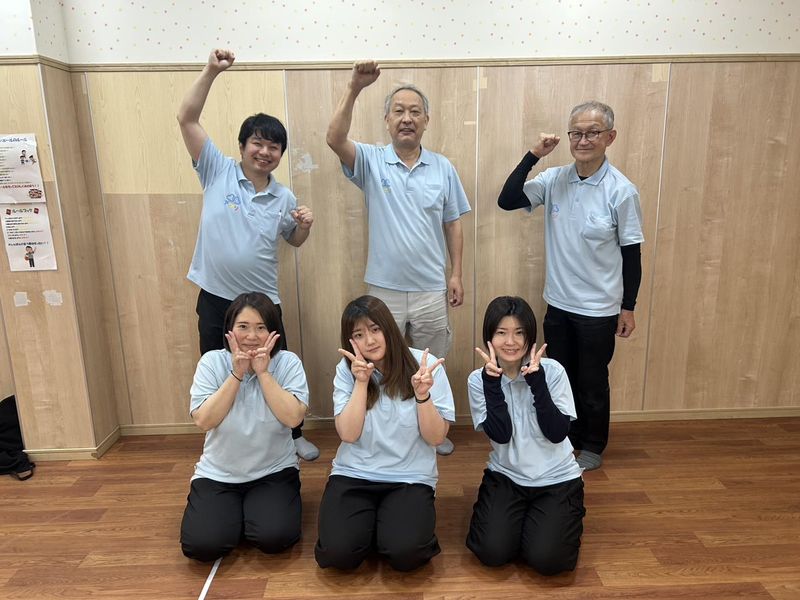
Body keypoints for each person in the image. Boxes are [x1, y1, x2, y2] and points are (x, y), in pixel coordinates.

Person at [177, 48, 319, 461]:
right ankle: (222, 438)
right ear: (242, 146)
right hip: (216, 296)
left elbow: (294, 241)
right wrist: (210, 71)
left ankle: (292, 435)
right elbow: (186, 118)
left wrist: (305, 226)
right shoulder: (217, 170)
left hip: (263, 301)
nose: (265, 151)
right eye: (258, 142)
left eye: (274, 146)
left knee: (276, 365)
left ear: (280, 154)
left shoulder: (284, 196)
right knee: (219, 366)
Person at [326, 61, 471, 456]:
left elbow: (453, 223)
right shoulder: (371, 161)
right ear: (387, 120)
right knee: (380, 361)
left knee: (428, 363)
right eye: (399, 111)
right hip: (383, 289)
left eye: (415, 112)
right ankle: (381, 427)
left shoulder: (443, 168)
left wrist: (456, 274)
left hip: (430, 288)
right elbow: (334, 137)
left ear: (426, 120)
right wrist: (354, 87)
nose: (407, 118)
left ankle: (432, 428)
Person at [497, 101, 644, 470]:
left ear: (610, 137)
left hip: (599, 308)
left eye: (593, 133)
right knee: (557, 376)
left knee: (592, 381)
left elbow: (632, 254)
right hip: (559, 304)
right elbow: (507, 200)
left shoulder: (621, 190)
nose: (583, 140)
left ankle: (592, 445)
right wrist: (533, 155)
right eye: (576, 133)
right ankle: (566, 437)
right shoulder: (555, 179)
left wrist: (628, 306)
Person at [314, 295, 455, 571]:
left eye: (375, 329)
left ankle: (383, 529)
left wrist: (422, 395)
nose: (369, 340)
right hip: (354, 474)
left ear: (389, 327)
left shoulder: (424, 365)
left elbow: (436, 438)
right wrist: (361, 383)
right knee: (337, 555)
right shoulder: (347, 370)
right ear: (350, 341)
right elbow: (348, 434)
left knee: (407, 555)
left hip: (409, 477)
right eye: (358, 334)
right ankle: (374, 528)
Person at [180, 292, 309, 562]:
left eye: (261, 327)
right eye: (243, 327)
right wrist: (237, 373)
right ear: (230, 329)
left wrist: (263, 373)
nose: (252, 336)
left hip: (273, 471)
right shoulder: (212, 362)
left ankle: (247, 515)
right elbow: (204, 420)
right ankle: (233, 515)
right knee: (202, 546)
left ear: (273, 332)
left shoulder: (288, 362)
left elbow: (293, 418)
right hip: (218, 474)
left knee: (275, 538)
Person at [466, 296, 585, 575]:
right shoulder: (478, 380)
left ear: (530, 336)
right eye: (502, 333)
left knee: (548, 561)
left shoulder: (553, 371)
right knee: (492, 553)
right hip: (506, 476)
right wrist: (492, 384)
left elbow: (557, 433)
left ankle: (551, 520)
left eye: (519, 333)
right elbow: (501, 435)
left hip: (557, 478)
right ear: (489, 337)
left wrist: (537, 382)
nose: (511, 342)